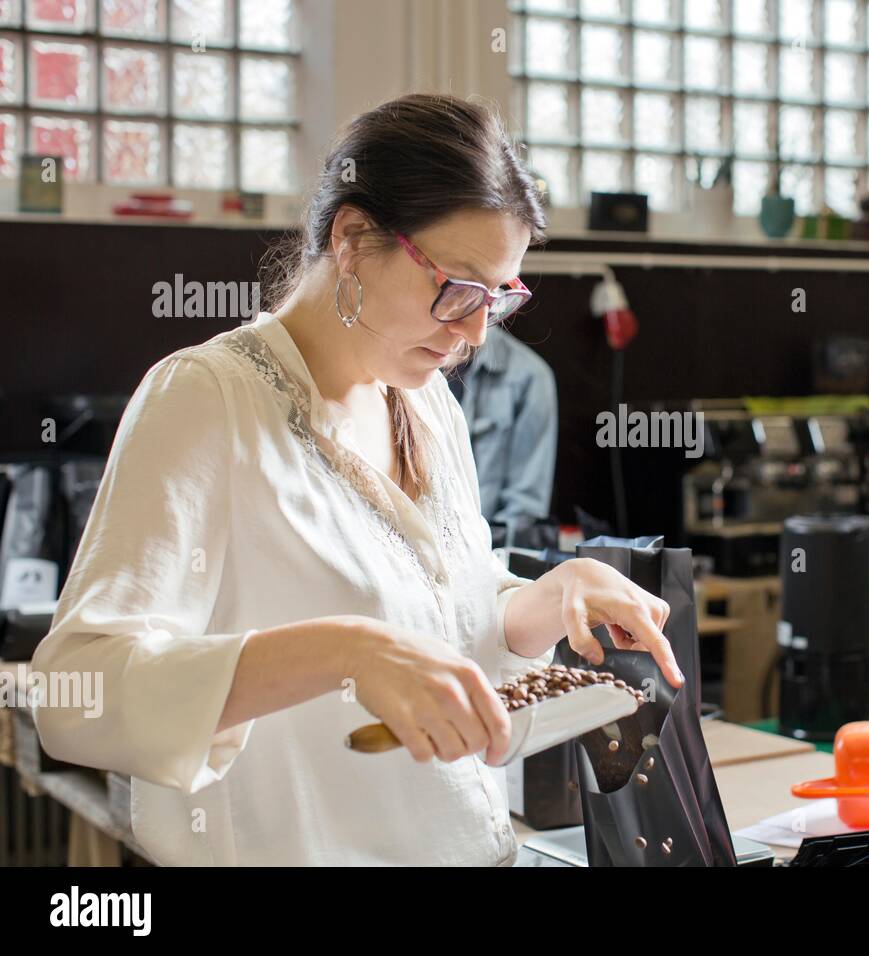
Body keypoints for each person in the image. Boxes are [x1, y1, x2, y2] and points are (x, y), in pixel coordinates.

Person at [32, 94, 682, 866]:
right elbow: (78, 694)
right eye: (457, 288)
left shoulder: (425, 401)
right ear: (352, 238)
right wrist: (343, 652)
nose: (475, 332)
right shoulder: (207, 399)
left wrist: (539, 603)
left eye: (499, 298)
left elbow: (446, 632)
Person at [450, 329, 558, 533]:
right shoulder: (405, 362)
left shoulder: (528, 376)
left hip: (480, 548)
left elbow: (523, 505)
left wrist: (481, 557)